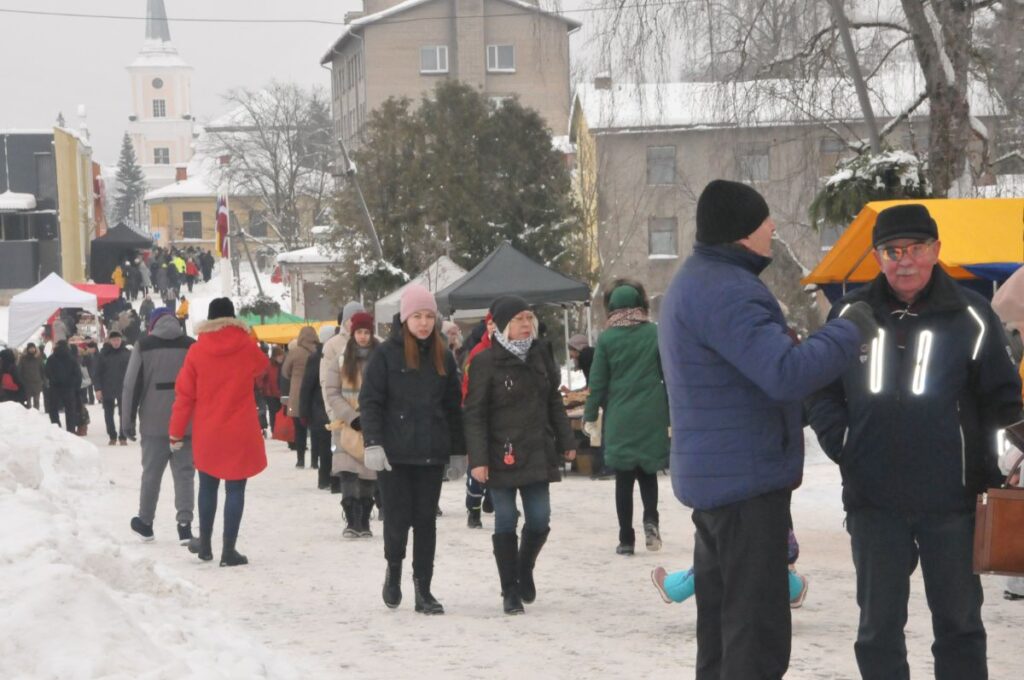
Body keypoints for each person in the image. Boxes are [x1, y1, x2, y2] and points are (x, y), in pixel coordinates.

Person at [659, 179, 878, 680]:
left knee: (722, 635)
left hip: (720, 479)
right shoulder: (730, 291)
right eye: (764, 221)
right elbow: (784, 373)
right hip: (745, 486)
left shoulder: (697, 280)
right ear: (742, 231)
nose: (773, 228)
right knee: (755, 639)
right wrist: (848, 330)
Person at [806, 203, 1023, 680]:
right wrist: (843, 442)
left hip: (954, 504)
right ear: (877, 257)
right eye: (892, 251)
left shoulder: (971, 315)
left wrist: (1006, 457)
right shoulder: (849, 314)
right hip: (874, 502)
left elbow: (1003, 399)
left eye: (916, 248)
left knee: (960, 627)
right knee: (878, 630)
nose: (905, 261)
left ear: (936, 250)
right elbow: (821, 388)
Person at [464, 296, 577, 615]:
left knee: (540, 518)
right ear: (503, 326)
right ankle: (509, 590)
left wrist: (566, 439)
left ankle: (524, 568)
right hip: (501, 453)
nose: (526, 325)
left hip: (537, 449)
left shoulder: (540, 354)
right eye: (518, 320)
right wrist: (478, 460)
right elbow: (474, 414)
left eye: (529, 318)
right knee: (506, 518)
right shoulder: (485, 361)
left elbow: (553, 400)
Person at [359, 284, 464, 614]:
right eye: (417, 316)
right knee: (397, 520)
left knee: (425, 522)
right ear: (405, 318)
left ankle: (423, 589)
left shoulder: (443, 355)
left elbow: (453, 406)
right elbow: (370, 401)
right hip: (395, 455)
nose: (423, 323)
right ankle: (394, 569)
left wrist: (458, 451)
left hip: (431, 452)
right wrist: (373, 442)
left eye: (429, 316)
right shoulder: (385, 355)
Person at [170, 298, 269, 567]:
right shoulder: (246, 345)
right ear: (233, 318)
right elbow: (262, 366)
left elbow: (184, 395)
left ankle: (205, 545)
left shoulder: (197, 351)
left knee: (208, 486)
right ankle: (228, 551)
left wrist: (176, 432)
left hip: (208, 430)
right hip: (240, 429)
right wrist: (249, 337)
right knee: (235, 488)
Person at [583, 281, 669, 555]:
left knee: (624, 479)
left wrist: (589, 415)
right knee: (648, 472)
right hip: (652, 412)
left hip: (620, 414)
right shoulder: (654, 333)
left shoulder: (607, 339)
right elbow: (668, 373)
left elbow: (597, 382)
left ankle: (626, 539)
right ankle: (651, 520)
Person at [122, 308, 196, 543]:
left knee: (151, 474)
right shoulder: (190, 345)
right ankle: (184, 526)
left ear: (152, 324)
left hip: (153, 423)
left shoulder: (143, 346)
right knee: (184, 474)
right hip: (186, 423)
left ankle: (145, 523)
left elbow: (131, 385)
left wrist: (127, 422)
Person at [323, 311, 380, 537]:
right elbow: (332, 391)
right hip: (346, 424)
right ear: (353, 333)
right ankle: (352, 520)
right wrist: (351, 416)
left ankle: (364, 520)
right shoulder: (340, 360)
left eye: (366, 332)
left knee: (368, 473)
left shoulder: (381, 358)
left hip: (372, 424)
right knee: (347, 472)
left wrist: (372, 416)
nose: (363, 336)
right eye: (359, 332)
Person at [460, 310, 497, 528]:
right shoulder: (477, 352)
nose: (493, 328)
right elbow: (467, 385)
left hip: (502, 418)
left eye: (497, 324)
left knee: (500, 463)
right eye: (490, 324)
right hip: (479, 416)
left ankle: (496, 500)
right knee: (477, 465)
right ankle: (473, 508)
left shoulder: (512, 351)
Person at [300, 326, 336, 490]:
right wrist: (304, 411)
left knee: (328, 446)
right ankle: (325, 479)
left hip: (322, 407)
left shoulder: (319, 356)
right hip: (321, 408)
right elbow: (307, 386)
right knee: (327, 446)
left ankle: (329, 479)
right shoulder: (317, 358)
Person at [282, 326, 318, 468]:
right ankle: (315, 461)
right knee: (316, 430)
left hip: (297, 393)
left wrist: (295, 376)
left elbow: (285, 371)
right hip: (315, 393)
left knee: (299, 429)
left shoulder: (295, 351)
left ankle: (300, 459)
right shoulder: (318, 350)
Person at [96, 331, 132, 446]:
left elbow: (132, 372)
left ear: (121, 340)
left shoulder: (127, 354)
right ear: (109, 341)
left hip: (123, 388)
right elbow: (97, 373)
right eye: (113, 340)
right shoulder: (103, 354)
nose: (116, 342)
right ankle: (112, 436)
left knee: (124, 413)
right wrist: (98, 389)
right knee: (108, 414)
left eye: (118, 340)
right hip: (107, 388)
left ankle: (123, 436)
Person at [45, 340, 81, 433]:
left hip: (55, 388)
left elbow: (47, 372)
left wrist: (54, 380)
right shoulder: (72, 358)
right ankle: (71, 431)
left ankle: (57, 429)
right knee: (70, 410)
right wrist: (75, 386)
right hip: (69, 388)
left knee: (53, 409)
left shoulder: (51, 359)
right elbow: (77, 374)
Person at [17, 343, 44, 409]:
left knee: (36, 401)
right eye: (30, 348)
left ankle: (36, 413)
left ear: (35, 348)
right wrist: (22, 381)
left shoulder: (39, 358)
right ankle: (29, 414)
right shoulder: (23, 358)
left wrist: (43, 380)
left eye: (33, 348)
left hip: (37, 382)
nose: (32, 349)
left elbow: (42, 370)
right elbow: (19, 370)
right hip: (27, 382)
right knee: (28, 401)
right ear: (27, 349)